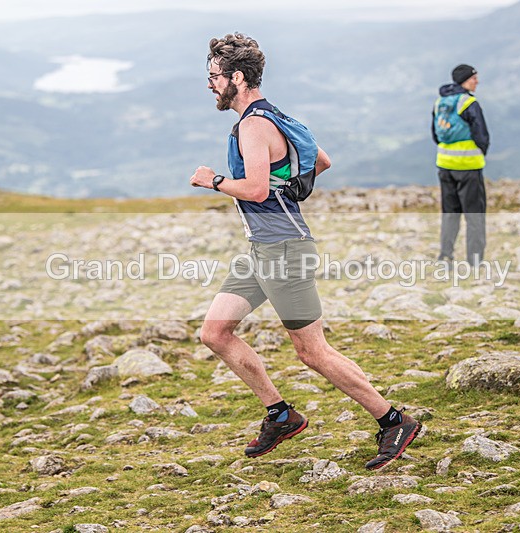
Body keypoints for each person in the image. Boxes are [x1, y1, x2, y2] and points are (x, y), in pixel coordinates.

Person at [190, 33, 421, 470]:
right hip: (263, 251)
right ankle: (280, 415)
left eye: (214, 77)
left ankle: (393, 421)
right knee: (215, 333)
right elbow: (322, 160)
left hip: (285, 252)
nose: (210, 85)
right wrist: (295, 183)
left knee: (312, 351)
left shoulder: (254, 126)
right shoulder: (274, 116)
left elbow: (256, 190)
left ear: (237, 77)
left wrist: (213, 181)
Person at [432, 64, 490, 267]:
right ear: (465, 80)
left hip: (444, 165)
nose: (477, 81)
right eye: (474, 78)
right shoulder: (469, 103)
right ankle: (474, 261)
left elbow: (435, 134)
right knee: (474, 215)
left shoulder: (440, 102)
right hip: (468, 166)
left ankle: (445, 256)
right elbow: (482, 135)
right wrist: (479, 151)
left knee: (450, 213)